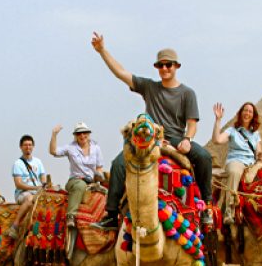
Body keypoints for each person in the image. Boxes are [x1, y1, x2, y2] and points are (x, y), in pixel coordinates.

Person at [90, 31, 213, 230]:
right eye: (160, 65)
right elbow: (121, 73)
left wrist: (188, 139)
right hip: (150, 138)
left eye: (168, 65)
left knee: (205, 158)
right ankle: (111, 214)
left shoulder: (187, 93)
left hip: (175, 138)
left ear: (176, 66)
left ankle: (206, 207)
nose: (164, 68)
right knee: (118, 164)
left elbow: (192, 123)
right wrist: (102, 50)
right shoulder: (149, 87)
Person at [212, 101, 262, 223]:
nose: (247, 113)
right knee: (234, 172)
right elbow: (217, 140)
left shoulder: (255, 134)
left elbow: (259, 150)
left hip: (251, 163)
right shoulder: (232, 130)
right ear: (240, 113)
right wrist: (218, 120)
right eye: (245, 110)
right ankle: (229, 210)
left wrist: (261, 156)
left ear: (253, 115)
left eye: (250, 111)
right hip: (236, 160)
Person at [49, 122, 105, 228]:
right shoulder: (71, 148)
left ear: (88, 134)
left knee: (107, 192)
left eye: (84, 133)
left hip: (92, 182)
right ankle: (71, 215)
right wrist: (54, 134)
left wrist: (99, 178)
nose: (82, 136)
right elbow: (53, 151)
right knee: (80, 186)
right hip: (76, 180)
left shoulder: (96, 147)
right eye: (79, 134)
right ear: (75, 136)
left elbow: (99, 167)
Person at [9, 134, 47, 238]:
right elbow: (18, 184)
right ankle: (15, 226)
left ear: (33, 146)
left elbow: (43, 176)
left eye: (30, 145)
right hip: (23, 194)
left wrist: (44, 185)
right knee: (30, 199)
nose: (28, 147)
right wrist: (35, 188)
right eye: (25, 145)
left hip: (37, 192)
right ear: (21, 147)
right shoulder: (18, 164)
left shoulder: (38, 162)